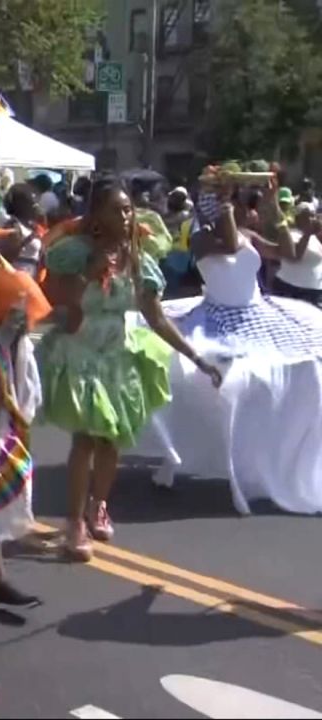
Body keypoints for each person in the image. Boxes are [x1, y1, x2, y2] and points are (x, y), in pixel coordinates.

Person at [39, 177, 223, 562]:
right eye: (116, 209)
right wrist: (89, 272)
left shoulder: (138, 258)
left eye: (128, 209)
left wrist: (196, 357)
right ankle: (73, 522)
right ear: (96, 215)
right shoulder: (72, 252)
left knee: (112, 441)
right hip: (81, 355)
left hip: (117, 359)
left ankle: (99, 504)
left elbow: (156, 318)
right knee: (86, 440)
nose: (125, 216)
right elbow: (56, 299)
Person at [133, 192, 322, 515]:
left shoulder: (248, 235)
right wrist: (225, 208)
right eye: (226, 209)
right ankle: (214, 453)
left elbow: (288, 255)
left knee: (297, 373)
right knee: (229, 386)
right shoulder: (201, 240)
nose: (235, 214)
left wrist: (276, 211)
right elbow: (232, 243)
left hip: (258, 314)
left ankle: (272, 458)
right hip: (218, 319)